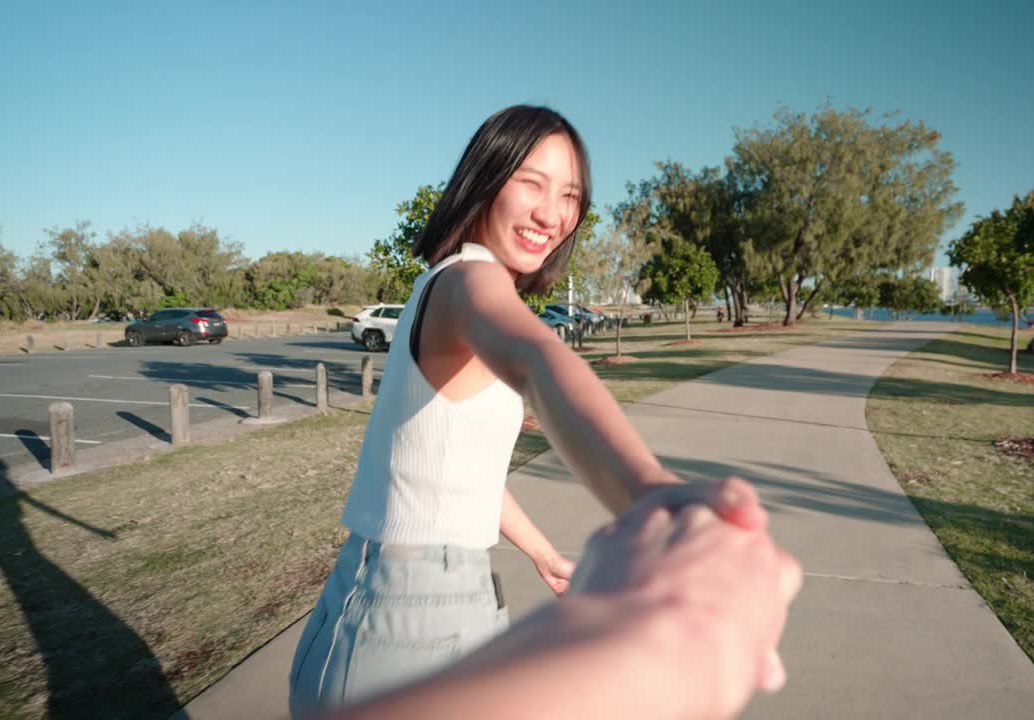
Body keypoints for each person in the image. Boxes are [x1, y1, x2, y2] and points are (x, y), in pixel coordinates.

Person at [289, 106, 766, 715]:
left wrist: (541, 551)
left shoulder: (466, 286)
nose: (552, 212)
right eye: (531, 182)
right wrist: (648, 495)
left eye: (569, 194)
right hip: (398, 611)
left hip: (447, 595)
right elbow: (540, 360)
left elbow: (460, 468)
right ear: (486, 178)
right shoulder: (467, 281)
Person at [328, 478, 803, 720]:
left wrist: (542, 552)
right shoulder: (464, 293)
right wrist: (674, 626)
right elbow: (538, 365)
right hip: (403, 588)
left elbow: (473, 471)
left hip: (464, 581)